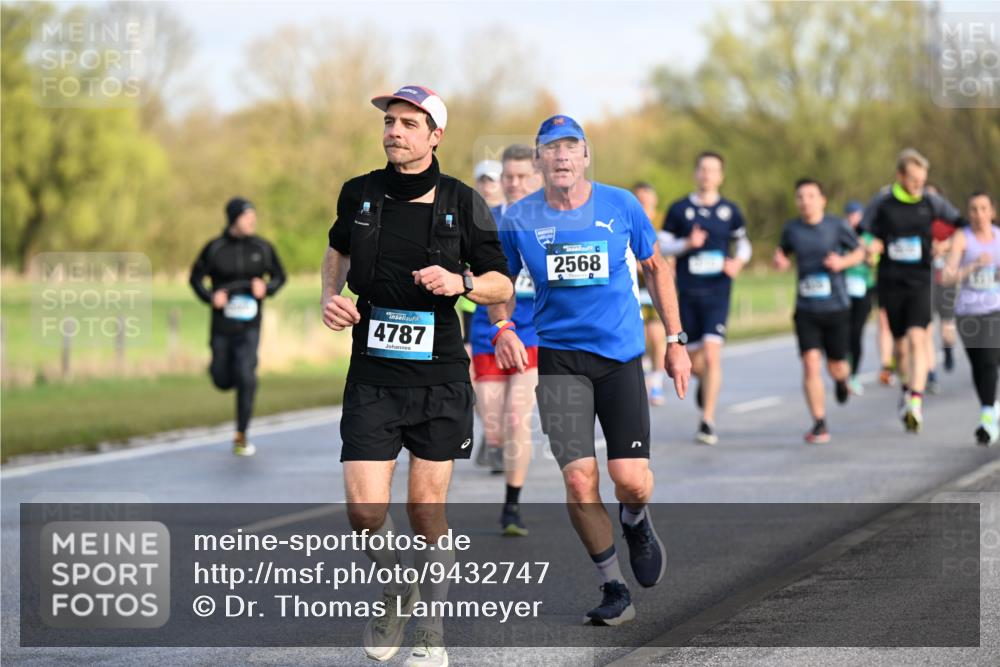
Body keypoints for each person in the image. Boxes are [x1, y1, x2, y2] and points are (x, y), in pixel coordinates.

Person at [321, 85, 513, 666]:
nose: (394, 131)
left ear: (435, 136)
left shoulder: (463, 201)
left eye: (408, 123)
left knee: (426, 513)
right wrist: (331, 296)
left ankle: (430, 630)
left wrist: (463, 284)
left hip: (439, 377)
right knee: (364, 514)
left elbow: (501, 283)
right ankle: (394, 587)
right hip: (373, 373)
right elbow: (336, 251)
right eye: (390, 122)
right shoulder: (359, 193)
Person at [490, 114, 691, 626]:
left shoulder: (621, 204)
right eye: (550, 149)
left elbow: (655, 268)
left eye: (570, 148)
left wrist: (674, 340)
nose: (561, 157)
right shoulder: (517, 217)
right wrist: (505, 327)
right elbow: (499, 282)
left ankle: (636, 519)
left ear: (585, 157)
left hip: (620, 357)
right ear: (538, 160)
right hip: (558, 360)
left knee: (632, 480)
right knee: (580, 482)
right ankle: (612, 585)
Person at [468, 144, 543, 535]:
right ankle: (491, 443)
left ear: (537, 177)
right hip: (488, 334)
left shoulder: (551, 221)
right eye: (507, 177)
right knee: (496, 428)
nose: (513, 184)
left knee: (518, 415)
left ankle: (511, 507)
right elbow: (464, 281)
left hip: (533, 334)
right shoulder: (484, 222)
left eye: (521, 177)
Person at [862, 149, 963, 432]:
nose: (919, 185)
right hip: (891, 281)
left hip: (920, 280)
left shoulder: (931, 202)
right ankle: (907, 389)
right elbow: (864, 230)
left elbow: (962, 227)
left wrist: (947, 246)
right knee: (901, 346)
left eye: (922, 180)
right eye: (914, 180)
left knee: (919, 337)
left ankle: (916, 402)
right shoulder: (883, 203)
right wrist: (871, 246)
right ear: (900, 176)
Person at [659, 151, 752, 445]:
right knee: (696, 362)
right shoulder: (679, 209)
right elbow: (661, 246)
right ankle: (703, 383)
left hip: (717, 293)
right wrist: (688, 243)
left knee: (712, 355)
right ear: (695, 173)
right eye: (703, 169)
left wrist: (738, 262)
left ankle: (707, 420)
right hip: (686, 295)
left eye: (713, 170)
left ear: (720, 176)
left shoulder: (730, 211)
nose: (707, 175)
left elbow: (743, 243)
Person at [189, 197, 286, 456]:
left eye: (254, 216)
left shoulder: (262, 247)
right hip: (221, 326)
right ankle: (221, 370)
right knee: (222, 379)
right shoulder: (215, 248)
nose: (252, 221)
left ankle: (241, 434)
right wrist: (211, 297)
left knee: (246, 374)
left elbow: (280, 276)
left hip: (250, 327)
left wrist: (266, 288)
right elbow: (195, 278)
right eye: (246, 217)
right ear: (233, 219)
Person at [773, 179, 864, 444]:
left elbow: (860, 252)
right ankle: (820, 423)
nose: (805, 201)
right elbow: (783, 253)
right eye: (800, 196)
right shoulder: (791, 229)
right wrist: (779, 260)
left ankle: (841, 380)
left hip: (836, 307)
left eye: (811, 196)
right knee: (811, 364)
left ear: (822, 199)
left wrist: (842, 261)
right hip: (806, 309)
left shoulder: (837, 226)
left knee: (837, 365)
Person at [943, 191, 1000, 446]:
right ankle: (990, 408)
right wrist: (973, 266)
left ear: (992, 212)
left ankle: (987, 417)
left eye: (983, 208)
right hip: (968, 312)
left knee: (988, 360)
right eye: (973, 209)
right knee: (979, 364)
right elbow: (947, 276)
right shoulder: (962, 238)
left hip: (995, 308)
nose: (978, 214)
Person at [632, 182, 668, 406]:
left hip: (654, 289)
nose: (644, 207)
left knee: (656, 336)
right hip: (633, 290)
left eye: (647, 203)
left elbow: (666, 258)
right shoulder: (626, 226)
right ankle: (644, 374)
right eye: (639, 202)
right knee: (641, 338)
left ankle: (656, 381)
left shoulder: (663, 228)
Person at [926, 183, 959, 393]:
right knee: (926, 326)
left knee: (946, 323)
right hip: (924, 278)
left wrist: (944, 247)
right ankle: (931, 373)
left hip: (945, 277)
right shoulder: (915, 218)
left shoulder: (948, 220)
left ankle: (948, 348)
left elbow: (961, 239)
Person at [843, 200, 877, 396]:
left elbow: (873, 261)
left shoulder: (867, 237)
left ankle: (853, 375)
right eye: (849, 215)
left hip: (863, 290)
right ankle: (843, 373)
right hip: (844, 291)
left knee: (856, 334)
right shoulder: (841, 235)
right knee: (843, 334)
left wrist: (866, 251)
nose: (852, 219)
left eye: (855, 215)